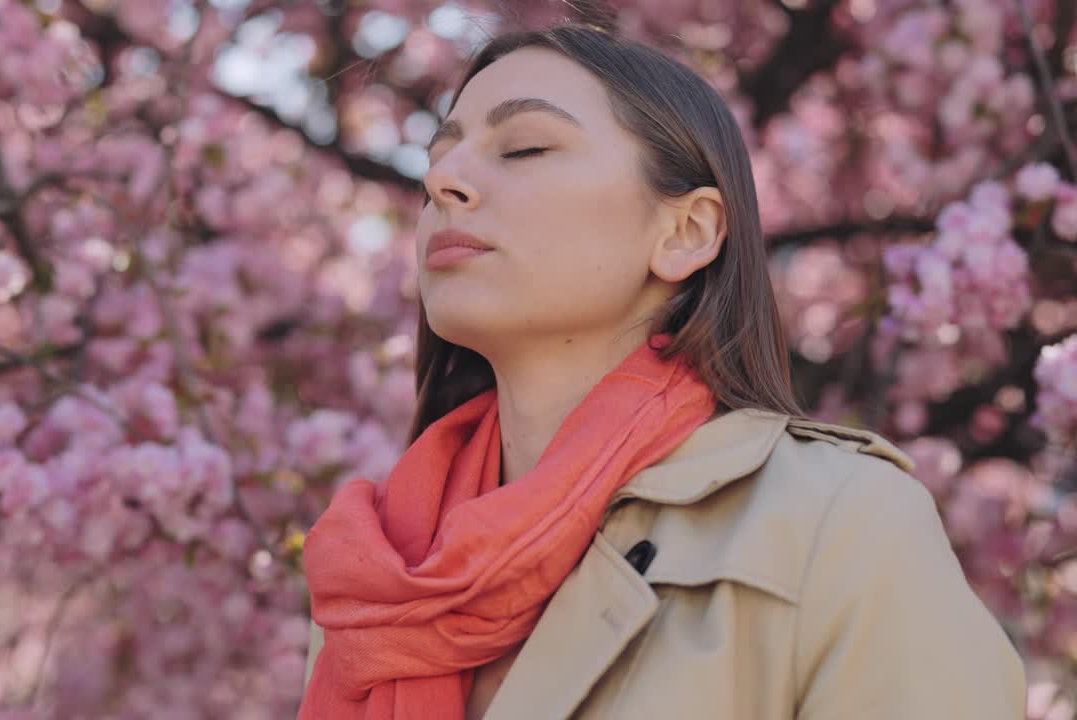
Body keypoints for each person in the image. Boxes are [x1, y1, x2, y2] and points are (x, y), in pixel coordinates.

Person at [297, 22, 1025, 720]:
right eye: (439, 157)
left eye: (523, 148)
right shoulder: (373, 575)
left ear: (686, 232)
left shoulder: (838, 522)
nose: (444, 180)